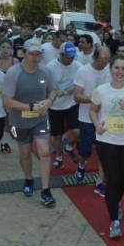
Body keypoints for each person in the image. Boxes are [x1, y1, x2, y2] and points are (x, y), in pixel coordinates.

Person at [89, 55, 124, 238]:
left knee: (122, 179)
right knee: (112, 180)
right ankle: (114, 221)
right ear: (110, 69)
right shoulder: (101, 90)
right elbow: (92, 110)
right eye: (116, 68)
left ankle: (116, 202)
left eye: (123, 68)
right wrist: (96, 123)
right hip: (106, 139)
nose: (120, 72)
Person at [1, 42, 58, 206]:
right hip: (19, 120)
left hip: (41, 119)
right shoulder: (13, 73)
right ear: (24, 53)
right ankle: (28, 179)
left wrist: (49, 100)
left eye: (38, 54)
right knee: (25, 154)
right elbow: (7, 101)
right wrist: (31, 107)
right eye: (31, 54)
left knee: (45, 151)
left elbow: (52, 90)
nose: (35, 57)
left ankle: (46, 190)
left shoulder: (45, 70)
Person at [73, 46, 112, 194]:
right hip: (86, 118)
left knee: (104, 151)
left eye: (107, 61)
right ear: (94, 58)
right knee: (85, 150)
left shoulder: (110, 70)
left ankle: (99, 182)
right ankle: (81, 165)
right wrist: (96, 99)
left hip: (105, 118)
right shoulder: (83, 71)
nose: (104, 65)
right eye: (102, 61)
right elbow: (76, 97)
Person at [46, 42, 81, 170]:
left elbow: (83, 80)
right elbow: (45, 85)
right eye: (68, 57)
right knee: (57, 135)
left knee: (78, 131)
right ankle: (59, 158)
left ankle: (69, 148)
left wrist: (75, 87)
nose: (71, 59)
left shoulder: (77, 65)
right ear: (61, 54)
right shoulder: (51, 67)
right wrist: (54, 91)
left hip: (72, 103)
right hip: (56, 106)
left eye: (73, 56)